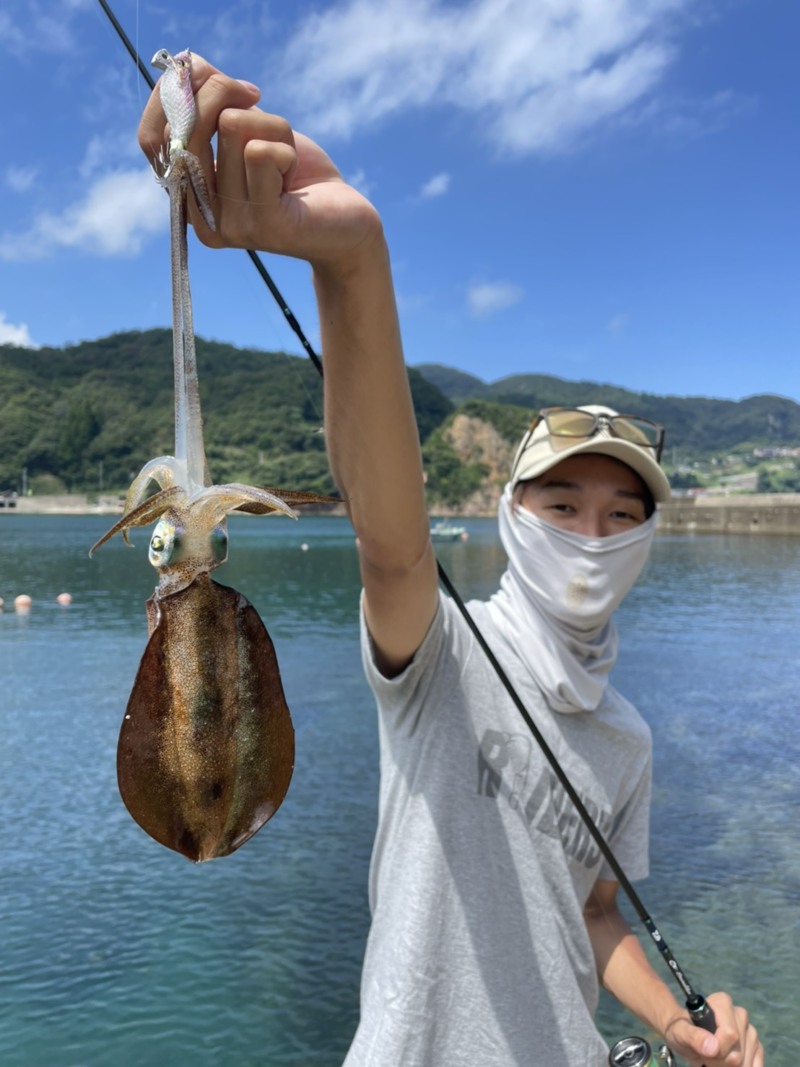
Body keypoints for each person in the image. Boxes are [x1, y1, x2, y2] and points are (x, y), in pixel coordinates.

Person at [138, 56, 764, 1067]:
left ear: (648, 535)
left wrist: (678, 1022)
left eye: (619, 514)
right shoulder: (443, 650)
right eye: (561, 502)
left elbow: (594, 909)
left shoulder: (627, 739)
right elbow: (391, 538)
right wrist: (352, 261)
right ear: (511, 513)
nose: (590, 534)